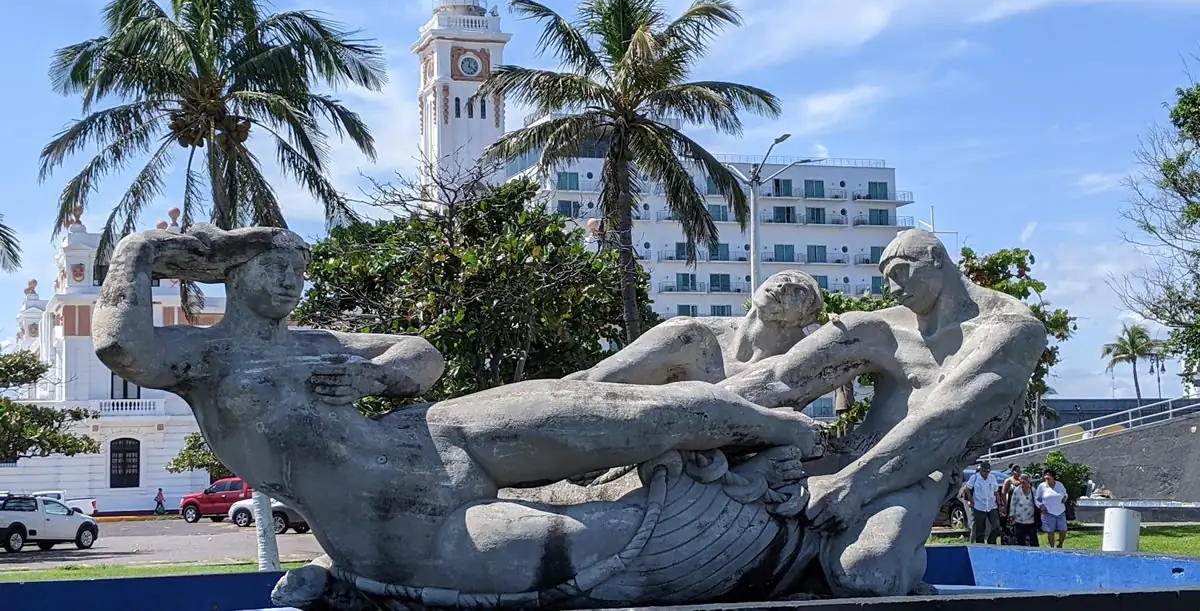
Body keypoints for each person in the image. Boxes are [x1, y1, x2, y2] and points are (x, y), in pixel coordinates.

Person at [92, 224, 824, 594]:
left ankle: (787, 426)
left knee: (635, 413)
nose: (290, 282)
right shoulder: (205, 360)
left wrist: (372, 382)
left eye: (298, 270)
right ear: (233, 270)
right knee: (602, 545)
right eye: (274, 267)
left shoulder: (319, 339)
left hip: (439, 434)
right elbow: (120, 347)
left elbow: (421, 353)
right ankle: (777, 516)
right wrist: (143, 248)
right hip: (400, 524)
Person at [718, 228, 1048, 596]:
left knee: (867, 574)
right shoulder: (881, 326)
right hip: (839, 460)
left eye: (899, 272)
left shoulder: (1010, 330)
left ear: (936, 259)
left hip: (917, 473)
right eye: (885, 278)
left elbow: (944, 422)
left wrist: (852, 487)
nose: (891, 289)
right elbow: (780, 379)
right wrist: (701, 409)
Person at [567, 270, 824, 385]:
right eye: (782, 279)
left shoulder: (786, 364)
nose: (782, 287)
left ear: (800, 320)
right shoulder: (702, 331)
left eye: (797, 292)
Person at [963, 461, 1002, 544]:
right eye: (985, 471)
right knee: (980, 530)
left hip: (992, 505)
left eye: (988, 471)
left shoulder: (992, 477)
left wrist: (1000, 504)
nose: (986, 473)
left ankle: (991, 542)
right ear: (980, 470)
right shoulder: (974, 478)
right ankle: (980, 546)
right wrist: (971, 500)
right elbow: (967, 489)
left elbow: (996, 492)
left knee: (996, 527)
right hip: (979, 506)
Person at [1035, 468, 1070, 548]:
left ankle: (1060, 544)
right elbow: (1037, 499)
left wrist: (1065, 498)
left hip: (1060, 511)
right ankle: (1052, 547)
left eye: (1049, 475)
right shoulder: (1042, 486)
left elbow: (1065, 494)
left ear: (1053, 477)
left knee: (1063, 529)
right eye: (1045, 475)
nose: (1047, 477)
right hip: (1048, 512)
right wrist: (1041, 506)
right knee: (1050, 531)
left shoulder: (1059, 485)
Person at [1007, 474, 1038, 547]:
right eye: (1021, 482)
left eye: (1024, 481)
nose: (1023, 483)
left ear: (1028, 482)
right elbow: (1013, 503)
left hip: (1031, 519)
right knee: (1021, 539)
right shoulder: (1017, 490)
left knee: (1034, 540)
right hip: (1019, 519)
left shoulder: (1033, 490)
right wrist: (1011, 515)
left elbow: (1037, 502)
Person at [998, 464, 1022, 544]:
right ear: (1012, 472)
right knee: (1009, 523)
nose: (1019, 473)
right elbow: (1003, 493)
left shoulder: (1022, 481)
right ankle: (1008, 541)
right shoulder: (1008, 481)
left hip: (1021, 506)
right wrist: (1004, 505)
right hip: (1010, 505)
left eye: (1020, 471)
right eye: (1017, 471)